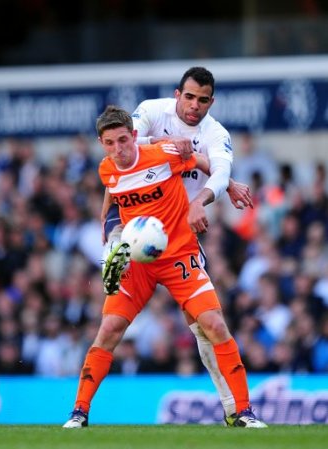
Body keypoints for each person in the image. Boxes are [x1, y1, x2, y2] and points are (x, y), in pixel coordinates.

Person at [63, 105, 267, 428]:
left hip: (179, 255)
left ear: (134, 136)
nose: (118, 149)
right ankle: (79, 413)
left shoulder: (163, 153)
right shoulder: (106, 170)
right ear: (102, 144)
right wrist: (112, 242)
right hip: (138, 264)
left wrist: (229, 185)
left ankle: (244, 412)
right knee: (108, 330)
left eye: (122, 140)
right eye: (110, 143)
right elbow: (112, 203)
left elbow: (201, 162)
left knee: (214, 324)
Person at [100, 67, 253, 420]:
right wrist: (165, 144)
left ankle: (233, 408)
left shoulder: (216, 133)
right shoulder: (153, 111)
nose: (194, 105)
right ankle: (112, 250)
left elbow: (220, 168)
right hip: (136, 219)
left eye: (203, 100)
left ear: (211, 102)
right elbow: (123, 144)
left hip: (178, 232)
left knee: (202, 323)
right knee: (112, 314)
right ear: (177, 94)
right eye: (189, 96)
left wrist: (208, 195)